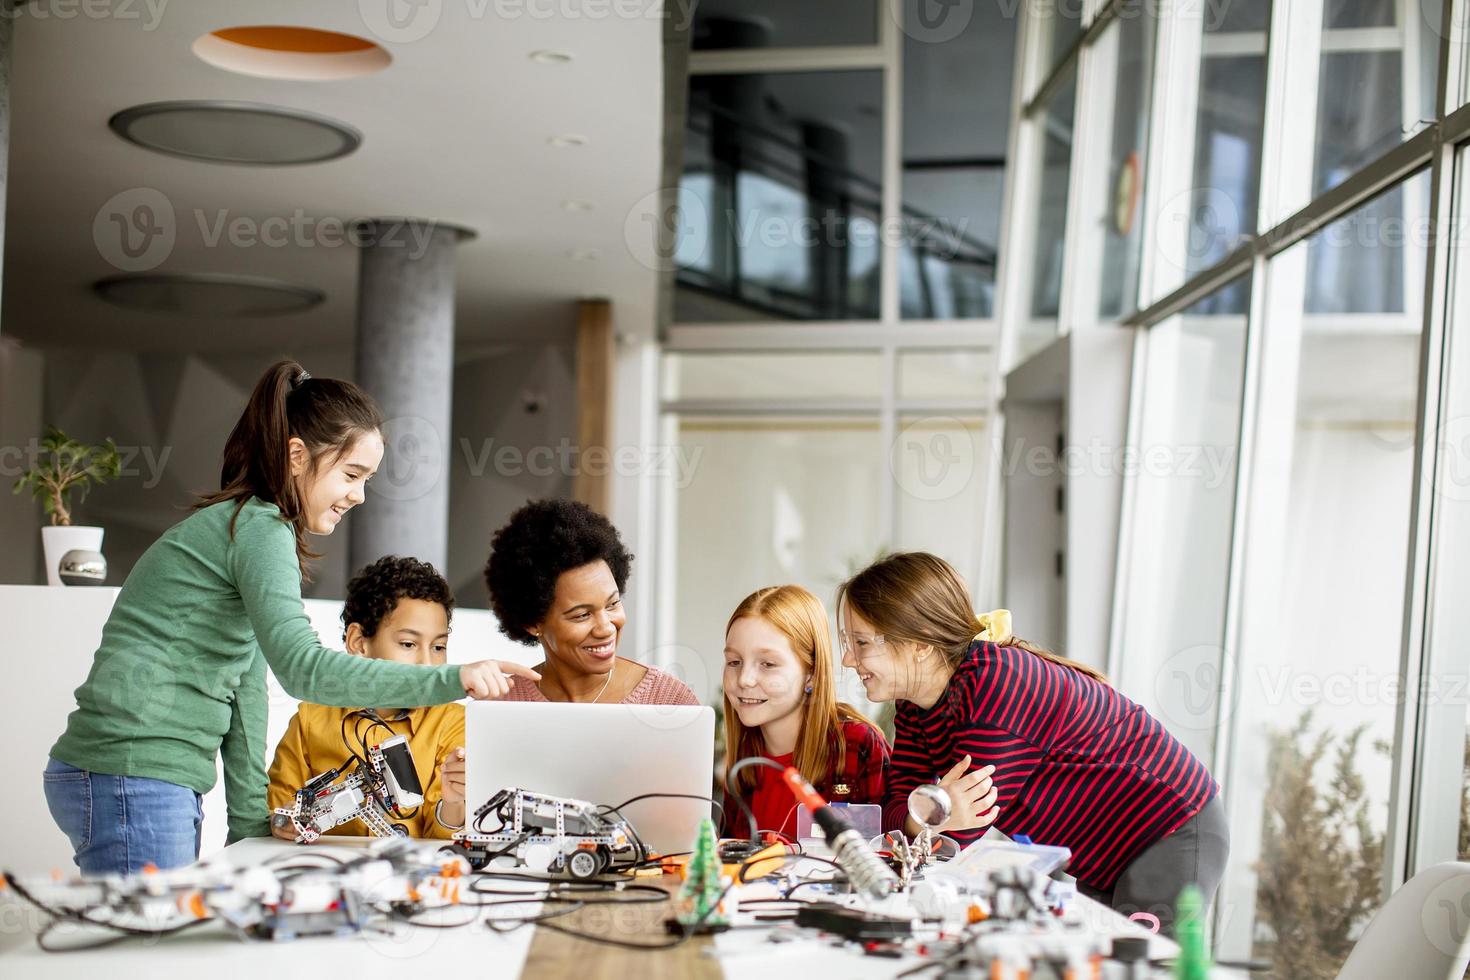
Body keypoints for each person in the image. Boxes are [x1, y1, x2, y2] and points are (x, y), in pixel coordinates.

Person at [45, 360, 536, 874]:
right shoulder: (260, 528)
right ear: (297, 455)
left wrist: (249, 830)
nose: (359, 495)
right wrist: (452, 677)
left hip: (141, 777)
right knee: (145, 949)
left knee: (154, 945)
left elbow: (246, 691)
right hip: (130, 773)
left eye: (367, 479)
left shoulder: (253, 530)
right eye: (351, 474)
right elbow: (301, 669)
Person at [837, 552, 1228, 935]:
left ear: (919, 644)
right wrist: (926, 813)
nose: (848, 660)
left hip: (1168, 826)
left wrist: (925, 814)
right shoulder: (915, 706)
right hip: (1106, 854)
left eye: (861, 643)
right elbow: (898, 822)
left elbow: (959, 831)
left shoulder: (995, 684)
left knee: (1147, 969)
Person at [267, 556, 470, 840]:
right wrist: (285, 822)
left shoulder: (451, 723)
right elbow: (276, 809)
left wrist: (453, 802)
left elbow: (441, 839)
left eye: (439, 646)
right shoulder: (311, 719)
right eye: (408, 644)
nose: (427, 663)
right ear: (359, 643)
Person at [484, 498, 697, 705]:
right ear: (532, 622)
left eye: (612, 604)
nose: (605, 628)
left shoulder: (668, 701)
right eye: (582, 615)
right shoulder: (501, 705)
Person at [720, 585, 889, 840]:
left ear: (811, 674)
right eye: (734, 662)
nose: (744, 679)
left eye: (768, 664)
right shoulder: (744, 761)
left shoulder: (858, 746)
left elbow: (888, 856)